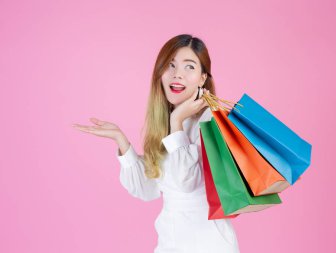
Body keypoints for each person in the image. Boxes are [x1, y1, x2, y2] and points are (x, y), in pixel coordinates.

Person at [72, 34, 240, 253]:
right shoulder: (165, 122)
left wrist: (177, 121)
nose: (177, 74)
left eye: (189, 67)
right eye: (170, 65)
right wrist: (122, 142)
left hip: (209, 245)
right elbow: (148, 189)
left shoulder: (210, 120)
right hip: (169, 243)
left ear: (202, 78)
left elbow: (185, 182)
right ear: (160, 73)